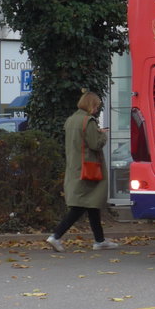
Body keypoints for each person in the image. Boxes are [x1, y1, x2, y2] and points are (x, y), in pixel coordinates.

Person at [45, 91, 120, 252]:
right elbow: (95, 144)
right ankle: (56, 236)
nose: (97, 109)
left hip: (75, 166)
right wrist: (103, 135)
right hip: (89, 168)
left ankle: (99, 240)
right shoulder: (89, 121)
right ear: (91, 105)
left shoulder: (71, 120)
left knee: (91, 204)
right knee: (81, 206)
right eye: (97, 106)